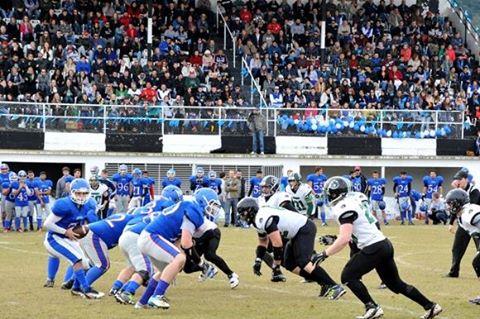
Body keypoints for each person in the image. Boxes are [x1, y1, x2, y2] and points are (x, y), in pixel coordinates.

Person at [315, 176, 442, 319]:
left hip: (374, 247)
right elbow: (364, 228)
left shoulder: (343, 206)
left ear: (335, 193)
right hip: (384, 244)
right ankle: (431, 306)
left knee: (348, 276)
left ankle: (372, 307)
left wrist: (324, 254)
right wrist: (334, 238)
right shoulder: (356, 200)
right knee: (395, 284)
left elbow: (345, 238)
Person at [237, 197, 346, 299]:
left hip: (304, 228)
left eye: (243, 213)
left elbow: (278, 244)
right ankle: (324, 283)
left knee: (303, 261)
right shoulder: (257, 220)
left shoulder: (263, 217)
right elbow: (263, 241)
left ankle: (334, 286)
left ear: (251, 210)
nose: (242, 216)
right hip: (295, 233)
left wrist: (276, 266)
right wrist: (258, 260)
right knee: (289, 264)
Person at [138, 188, 220, 309]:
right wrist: (201, 263)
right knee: (180, 258)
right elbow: (186, 244)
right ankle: (156, 297)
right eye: (212, 204)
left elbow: (180, 242)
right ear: (203, 201)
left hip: (150, 237)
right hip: (152, 237)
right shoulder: (194, 210)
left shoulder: (188, 207)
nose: (214, 209)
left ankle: (142, 302)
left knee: (165, 270)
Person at [113, 187, 180, 306]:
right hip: (137, 236)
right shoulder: (167, 209)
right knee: (145, 270)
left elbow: (135, 214)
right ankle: (127, 292)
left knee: (134, 267)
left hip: (129, 231)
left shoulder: (151, 206)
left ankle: (118, 288)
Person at [42, 178, 103, 298]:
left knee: (86, 264)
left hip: (70, 239)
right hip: (54, 238)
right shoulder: (64, 204)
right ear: (72, 192)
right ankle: (86, 289)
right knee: (77, 260)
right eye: (78, 193)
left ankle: (74, 287)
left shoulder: (89, 204)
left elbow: (88, 224)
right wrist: (65, 232)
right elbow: (47, 224)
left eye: (84, 193)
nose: (81, 196)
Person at [445, 188, 480, 304]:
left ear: (458, 202)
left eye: (451, 204)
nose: (449, 207)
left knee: (478, 262)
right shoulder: (462, 215)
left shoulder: (469, 213)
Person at [446, 169, 480, 278]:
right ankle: (454, 271)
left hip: (473, 221)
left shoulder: (474, 191)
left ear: (465, 179)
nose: (457, 181)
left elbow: (468, 209)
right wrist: (451, 223)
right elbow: (456, 209)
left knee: (477, 258)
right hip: (466, 222)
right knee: (457, 247)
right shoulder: (458, 192)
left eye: (459, 179)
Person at [0, 163, 10, 230]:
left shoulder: (11, 174)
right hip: (3, 194)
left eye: (5, 169)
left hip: (10, 194)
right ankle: (4, 225)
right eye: (2, 169)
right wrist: (3, 192)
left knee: (10, 211)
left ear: (8, 169)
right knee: (3, 211)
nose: (4, 170)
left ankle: (9, 225)